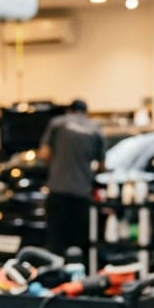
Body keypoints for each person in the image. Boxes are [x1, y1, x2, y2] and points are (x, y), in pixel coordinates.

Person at [38, 99, 105, 256]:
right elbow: (101, 166)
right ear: (86, 112)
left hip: (58, 190)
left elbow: (44, 153)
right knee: (79, 241)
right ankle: (77, 275)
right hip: (82, 193)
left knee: (56, 240)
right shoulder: (95, 129)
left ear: (69, 110)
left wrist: (55, 166)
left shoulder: (57, 123)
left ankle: (56, 275)